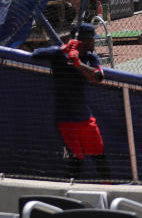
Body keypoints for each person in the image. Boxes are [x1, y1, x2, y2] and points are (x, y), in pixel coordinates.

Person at [32, 23, 110, 181]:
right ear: (82, 41)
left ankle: (109, 188)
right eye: (91, 39)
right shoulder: (60, 55)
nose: (94, 42)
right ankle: (71, 193)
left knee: (100, 158)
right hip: (65, 120)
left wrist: (78, 64)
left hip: (85, 119)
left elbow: (98, 77)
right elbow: (36, 53)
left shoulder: (90, 58)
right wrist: (63, 50)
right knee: (76, 163)